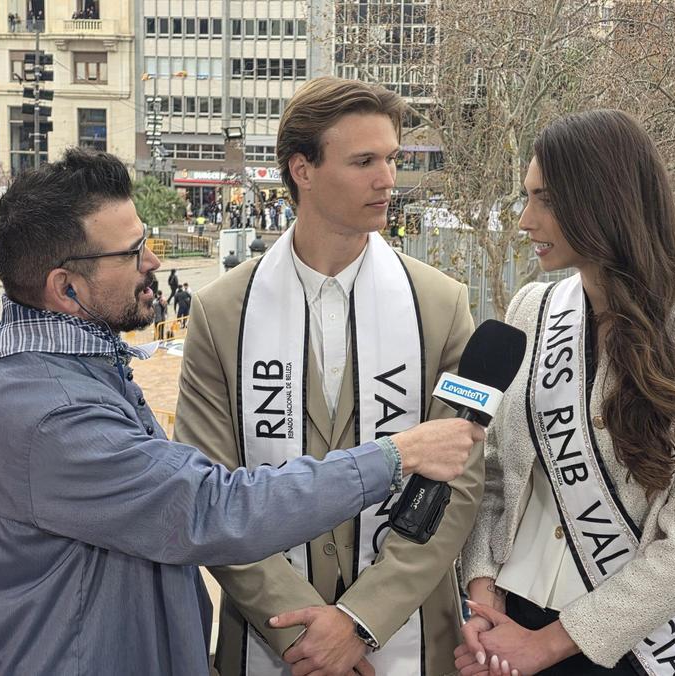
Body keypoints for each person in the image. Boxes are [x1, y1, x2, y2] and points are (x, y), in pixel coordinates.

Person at [0, 148, 481, 673]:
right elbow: (211, 507)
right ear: (66, 287)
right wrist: (395, 454)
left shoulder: (70, 366)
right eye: (132, 252)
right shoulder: (52, 416)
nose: (153, 262)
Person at [174, 76, 481, 675]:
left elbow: (460, 481)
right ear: (302, 169)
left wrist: (360, 622)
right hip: (274, 642)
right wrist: (303, 635)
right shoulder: (220, 313)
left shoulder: (443, 305)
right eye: (365, 160)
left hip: (408, 636)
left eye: (392, 159)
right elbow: (206, 491)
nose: (388, 179)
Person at [456, 110, 675, 676]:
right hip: (508, 614)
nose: (524, 220)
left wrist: (545, 646)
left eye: (543, 199)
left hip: (624, 643)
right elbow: (496, 468)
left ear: (602, 201)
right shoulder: (531, 308)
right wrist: (481, 587)